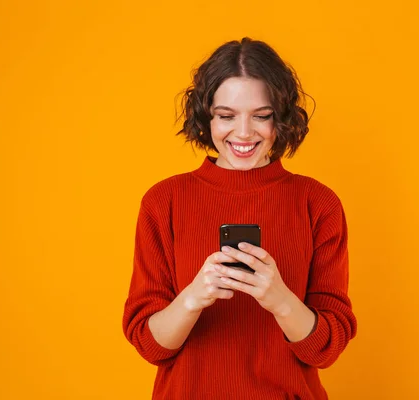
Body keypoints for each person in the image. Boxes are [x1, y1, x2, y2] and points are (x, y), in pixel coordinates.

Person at [122, 37, 357, 400]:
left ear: (281, 117)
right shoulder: (163, 201)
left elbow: (325, 349)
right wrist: (193, 297)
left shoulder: (317, 203)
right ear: (206, 116)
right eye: (226, 116)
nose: (244, 133)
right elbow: (152, 348)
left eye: (261, 116)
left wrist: (279, 298)